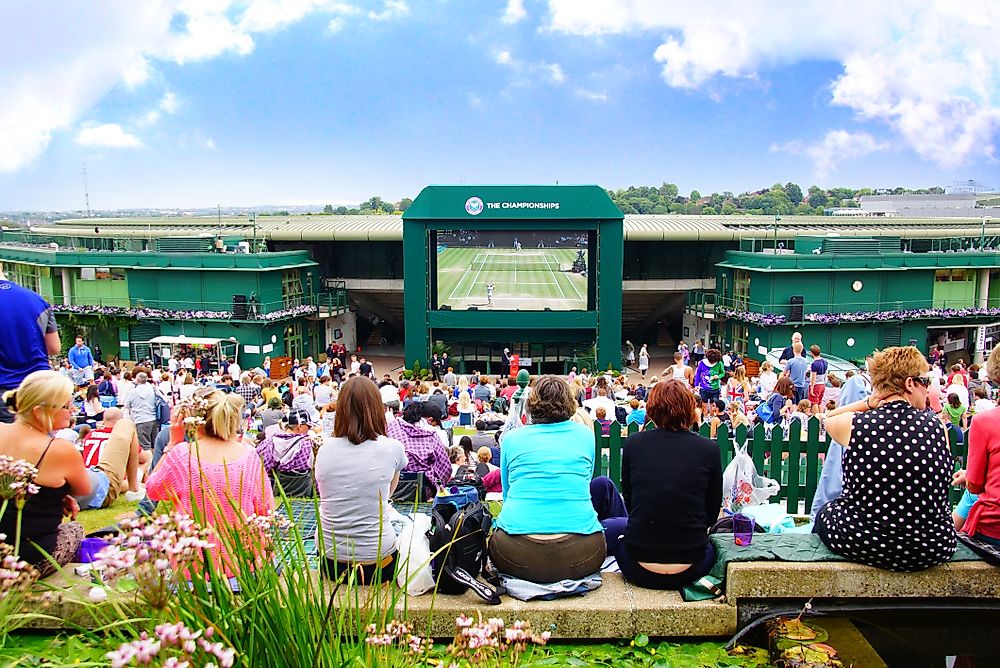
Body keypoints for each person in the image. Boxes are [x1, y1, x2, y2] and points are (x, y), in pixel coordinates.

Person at [816, 346, 955, 571]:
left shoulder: (855, 425)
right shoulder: (938, 427)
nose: (928, 390)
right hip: (932, 545)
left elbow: (827, 417)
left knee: (826, 512)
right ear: (910, 384)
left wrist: (868, 403)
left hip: (863, 541)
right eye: (926, 382)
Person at [593, 380, 721, 590]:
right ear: (690, 409)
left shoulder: (635, 443)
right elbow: (711, 512)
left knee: (619, 540)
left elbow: (632, 502)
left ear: (652, 408)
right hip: (693, 564)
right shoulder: (709, 449)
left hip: (638, 565)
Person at [146, 389, 274, 578]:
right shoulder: (249, 455)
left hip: (193, 567)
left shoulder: (182, 455)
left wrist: (172, 443)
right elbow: (266, 510)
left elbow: (153, 490)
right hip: (245, 564)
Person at [490, 376, 606, 583]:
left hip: (515, 551)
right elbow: (585, 481)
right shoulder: (585, 435)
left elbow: (507, 493)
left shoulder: (511, 439)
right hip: (583, 550)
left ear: (532, 404)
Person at [316, 376, 407, 583]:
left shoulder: (324, 450)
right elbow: (387, 495)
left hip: (331, 562)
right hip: (376, 562)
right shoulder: (392, 448)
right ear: (377, 408)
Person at [0, 371, 89, 574]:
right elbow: (84, 489)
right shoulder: (59, 449)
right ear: (39, 411)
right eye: (65, 406)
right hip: (30, 559)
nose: (72, 410)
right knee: (76, 529)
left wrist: (46, 493)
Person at [0, 271, 61, 424]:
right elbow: (54, 347)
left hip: (4, 393)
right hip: (38, 389)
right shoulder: (37, 300)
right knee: (39, 444)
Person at [76, 407, 149, 507]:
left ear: (103, 419)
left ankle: (138, 486)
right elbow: (144, 459)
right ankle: (135, 488)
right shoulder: (120, 435)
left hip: (90, 476)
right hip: (106, 479)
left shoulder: (90, 435)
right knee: (145, 459)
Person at [385, 401, 452, 497]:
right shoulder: (431, 435)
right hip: (423, 490)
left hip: (391, 487)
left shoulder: (392, 427)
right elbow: (445, 466)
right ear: (428, 419)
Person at [257, 408, 316, 497]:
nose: (309, 429)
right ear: (299, 426)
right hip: (303, 493)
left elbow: (261, 466)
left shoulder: (270, 442)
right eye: (308, 426)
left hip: (276, 492)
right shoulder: (306, 444)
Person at [126, 371, 162, 452]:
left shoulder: (133, 392)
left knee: (145, 446)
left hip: (141, 419)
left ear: (137, 380)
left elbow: (127, 404)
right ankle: (155, 462)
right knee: (155, 444)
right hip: (154, 418)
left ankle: (148, 463)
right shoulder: (152, 389)